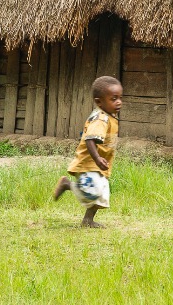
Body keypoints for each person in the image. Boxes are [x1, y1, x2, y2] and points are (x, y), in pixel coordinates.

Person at [52, 75, 122, 228]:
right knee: (93, 191)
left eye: (120, 98)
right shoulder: (100, 118)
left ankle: (87, 220)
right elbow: (90, 139)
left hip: (100, 163)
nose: (119, 102)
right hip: (89, 162)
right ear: (99, 102)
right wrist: (97, 158)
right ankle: (67, 185)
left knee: (102, 194)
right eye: (114, 98)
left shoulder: (110, 117)